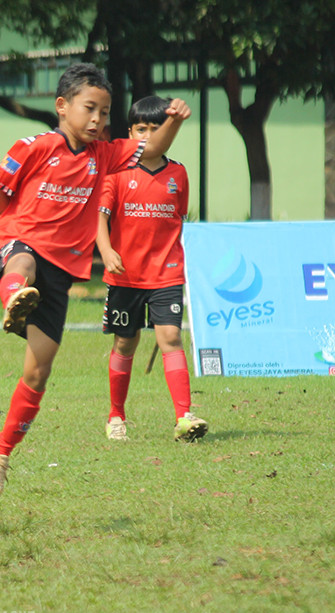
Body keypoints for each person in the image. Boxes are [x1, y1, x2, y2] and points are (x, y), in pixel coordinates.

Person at [0, 64, 191, 504]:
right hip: (21, 240)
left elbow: (153, 147)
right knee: (23, 263)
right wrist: (18, 221)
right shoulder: (35, 146)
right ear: (62, 106)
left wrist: (173, 120)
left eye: (105, 112)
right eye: (89, 108)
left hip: (60, 271)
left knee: (38, 373)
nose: (97, 119)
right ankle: (14, 297)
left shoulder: (106, 156)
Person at [96, 96, 208, 444]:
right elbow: (99, 220)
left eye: (154, 129)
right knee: (125, 342)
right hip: (125, 276)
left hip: (166, 273)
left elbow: (179, 217)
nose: (147, 136)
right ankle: (116, 415)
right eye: (140, 129)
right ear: (129, 133)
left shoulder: (178, 174)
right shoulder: (116, 173)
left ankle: (184, 416)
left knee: (171, 337)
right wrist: (107, 251)